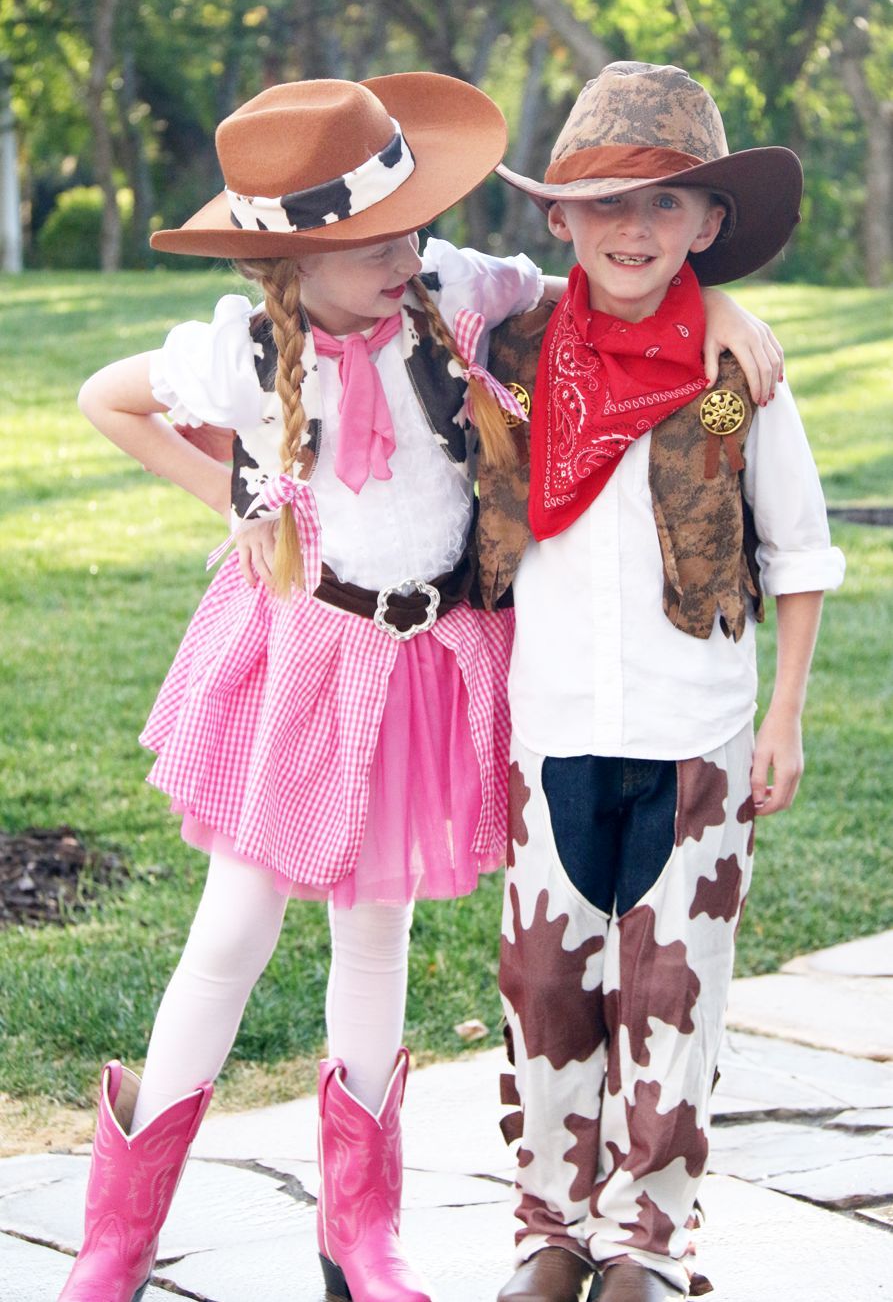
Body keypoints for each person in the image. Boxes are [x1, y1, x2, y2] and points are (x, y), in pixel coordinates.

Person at [63, 71, 782, 1302]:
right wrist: (250, 504)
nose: (409, 246)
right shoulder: (242, 352)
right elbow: (107, 397)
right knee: (235, 927)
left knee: (374, 932)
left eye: (411, 218)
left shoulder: (454, 291)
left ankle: (361, 1233)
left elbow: (597, 287)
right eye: (371, 239)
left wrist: (722, 317)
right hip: (305, 654)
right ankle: (115, 1240)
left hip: (421, 665)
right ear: (292, 264)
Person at [474, 63, 846, 1302]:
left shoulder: (736, 378)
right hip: (557, 722)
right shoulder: (515, 354)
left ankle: (648, 1235)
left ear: (705, 225)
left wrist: (783, 711)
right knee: (543, 984)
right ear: (556, 220)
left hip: (694, 729)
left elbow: (795, 548)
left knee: (671, 990)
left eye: (663, 204)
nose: (632, 230)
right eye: (602, 205)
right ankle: (550, 1224)